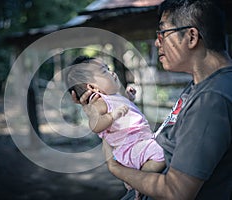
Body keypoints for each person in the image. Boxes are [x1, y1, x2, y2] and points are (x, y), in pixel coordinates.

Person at [74, 0, 232, 199]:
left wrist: (115, 168)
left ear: (191, 37)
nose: (158, 42)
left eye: (163, 33)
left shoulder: (212, 98)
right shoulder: (201, 85)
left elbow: (175, 191)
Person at [66, 56, 165, 196]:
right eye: (104, 71)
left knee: (161, 149)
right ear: (92, 87)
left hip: (140, 141)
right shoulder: (100, 102)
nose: (112, 73)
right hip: (129, 147)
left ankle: (136, 179)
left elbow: (125, 111)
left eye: (109, 68)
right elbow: (94, 125)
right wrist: (112, 116)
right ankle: (139, 181)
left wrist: (129, 99)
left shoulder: (115, 98)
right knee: (161, 155)